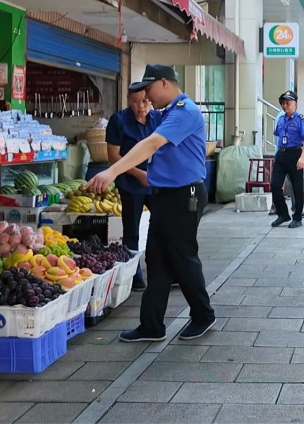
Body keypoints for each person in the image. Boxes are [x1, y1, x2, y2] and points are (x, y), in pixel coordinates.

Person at [85, 64, 215, 343]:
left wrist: (113, 170)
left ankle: (203, 314)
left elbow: (151, 144)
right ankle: (152, 325)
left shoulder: (184, 111)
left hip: (184, 196)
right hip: (165, 195)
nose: (146, 97)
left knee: (183, 257)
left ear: (165, 83)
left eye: (149, 89)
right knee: (156, 260)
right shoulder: (168, 112)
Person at [105, 86, 156, 292]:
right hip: (130, 184)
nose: (140, 106)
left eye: (145, 101)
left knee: (162, 227)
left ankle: (162, 270)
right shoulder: (118, 121)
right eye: (135, 101)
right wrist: (138, 174)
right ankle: (134, 274)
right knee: (131, 230)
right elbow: (113, 156)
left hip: (156, 183)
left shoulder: (157, 119)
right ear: (128, 100)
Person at [271, 90, 304, 228]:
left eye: (288, 103)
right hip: (281, 155)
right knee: (275, 185)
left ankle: (297, 217)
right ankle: (283, 214)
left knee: (296, 187)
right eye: (283, 103)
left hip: (295, 155)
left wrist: (302, 157)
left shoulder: (301, 119)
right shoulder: (281, 119)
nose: (284, 105)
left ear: (295, 104)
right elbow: (278, 137)